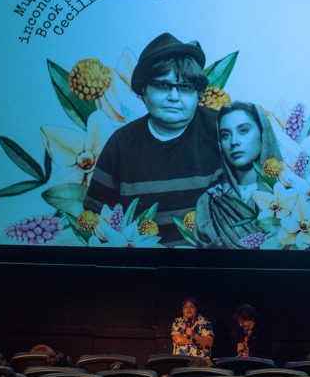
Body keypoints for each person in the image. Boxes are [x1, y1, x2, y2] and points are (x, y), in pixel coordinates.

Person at [85, 33, 223, 246]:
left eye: (185, 87)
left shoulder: (221, 131)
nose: (174, 97)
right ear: (144, 91)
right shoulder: (121, 144)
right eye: (163, 86)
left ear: (198, 94)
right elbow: (97, 217)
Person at [195, 102, 281, 248]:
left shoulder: (291, 194)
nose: (234, 142)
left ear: (263, 134)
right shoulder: (210, 202)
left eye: (243, 130)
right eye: (225, 135)